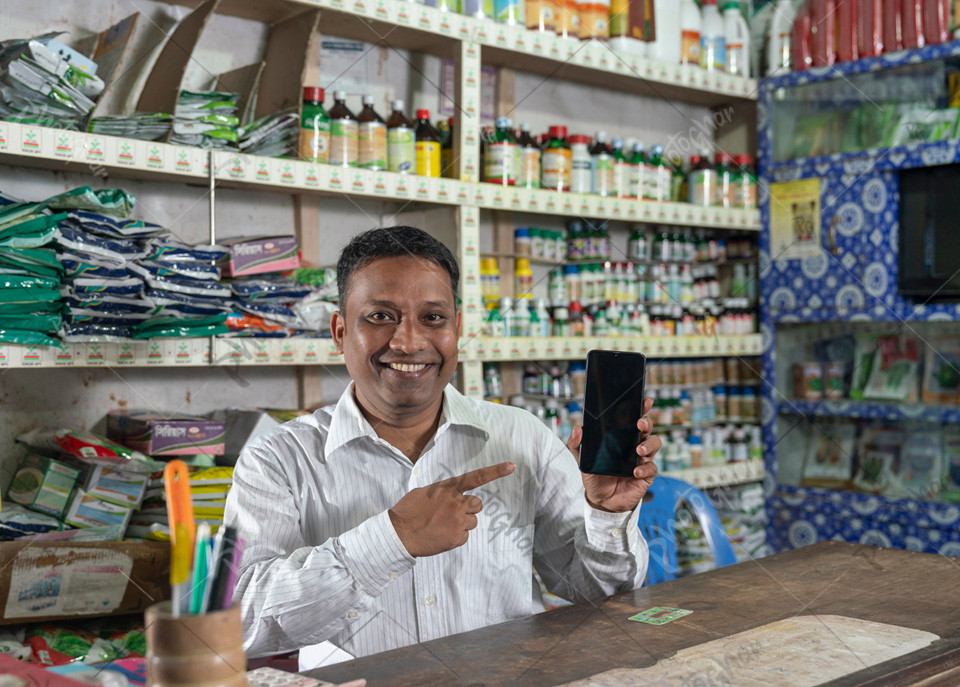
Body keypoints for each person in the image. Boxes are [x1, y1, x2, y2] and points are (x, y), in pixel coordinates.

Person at [224, 225, 661, 666]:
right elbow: (237, 623)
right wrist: (391, 540)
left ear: (457, 328)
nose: (408, 342)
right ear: (339, 331)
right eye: (380, 317)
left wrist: (607, 513)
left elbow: (599, 593)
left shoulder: (522, 437)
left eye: (433, 318)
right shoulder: (277, 460)